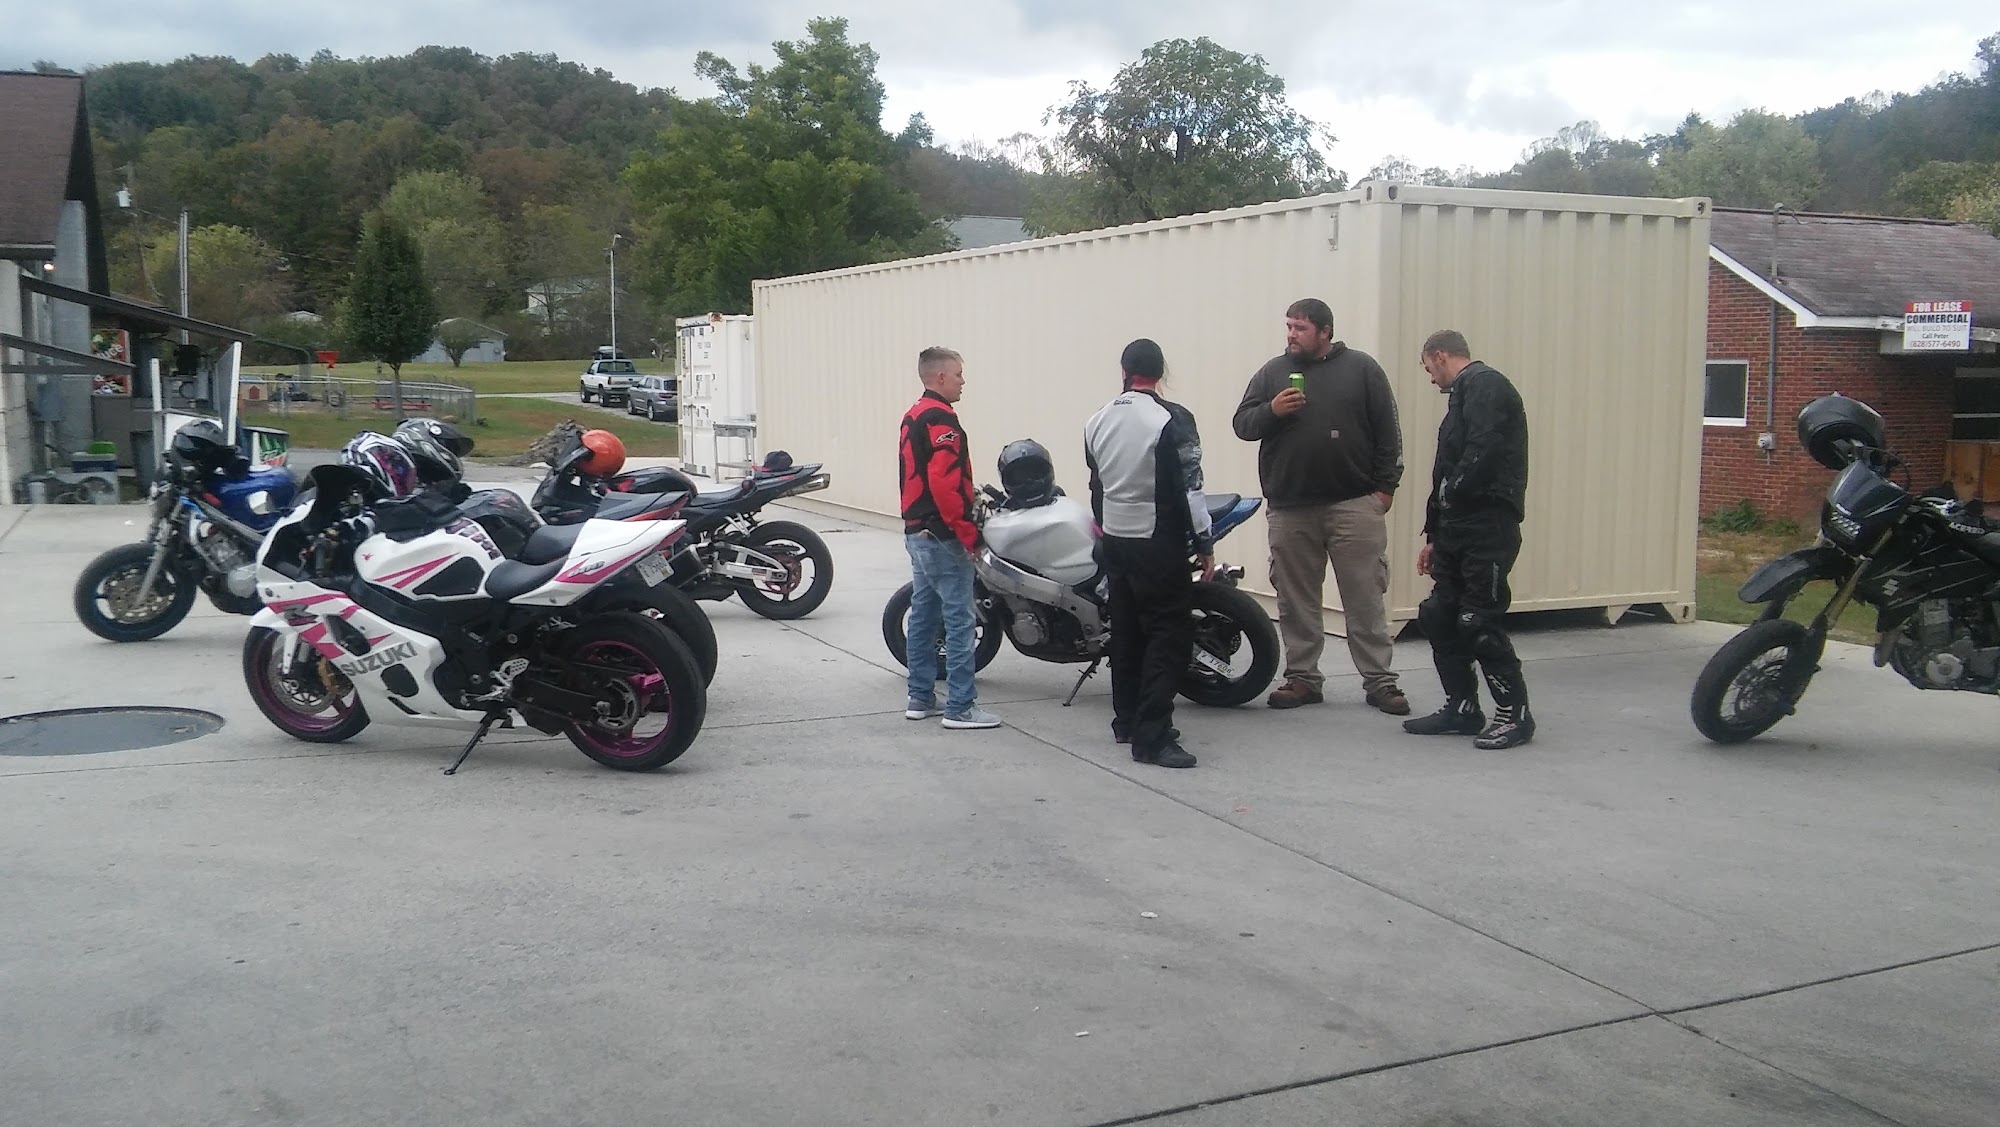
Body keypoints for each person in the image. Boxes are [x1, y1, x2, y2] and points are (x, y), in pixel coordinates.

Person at [1231, 298, 1409, 715]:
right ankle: (1303, 679)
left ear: (1325, 331)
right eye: (1289, 326)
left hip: (1353, 504)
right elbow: (1242, 424)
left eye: (1301, 328)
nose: (1291, 334)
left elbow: (1388, 432)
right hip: (1291, 507)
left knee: (1364, 597)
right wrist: (1272, 411)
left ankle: (1380, 681)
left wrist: (1384, 491)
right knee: (1295, 600)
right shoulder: (1272, 372)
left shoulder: (1361, 369)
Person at [1403, 329, 1534, 749]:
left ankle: (1515, 715)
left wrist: (1454, 493)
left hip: (1488, 527)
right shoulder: (1461, 397)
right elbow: (1445, 470)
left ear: (1440, 356)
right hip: (1456, 530)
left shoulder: (1485, 385)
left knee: (1477, 621)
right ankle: (1461, 708)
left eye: (1428, 367)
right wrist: (1434, 535)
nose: (1430, 377)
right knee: (1438, 614)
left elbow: (1483, 450)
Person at [1084, 339, 1212, 769]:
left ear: (1124, 371)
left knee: (1126, 633)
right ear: (1160, 374)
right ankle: (1152, 738)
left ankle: (1127, 720)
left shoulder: (1097, 419)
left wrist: (1106, 531)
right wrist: (1204, 543)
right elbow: (1191, 488)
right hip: (1158, 540)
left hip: (1116, 539)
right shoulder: (1171, 418)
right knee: (1167, 635)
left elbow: (1097, 487)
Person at [899, 346, 1001, 730]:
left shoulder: (913, 415)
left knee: (923, 615)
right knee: (960, 619)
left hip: (917, 532)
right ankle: (960, 706)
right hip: (941, 536)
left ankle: (920, 696)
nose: (963, 381)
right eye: (958, 374)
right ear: (940, 377)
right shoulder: (941, 420)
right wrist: (969, 534)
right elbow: (945, 485)